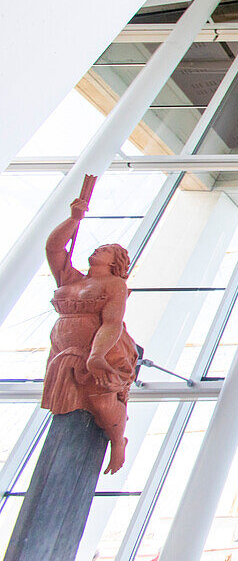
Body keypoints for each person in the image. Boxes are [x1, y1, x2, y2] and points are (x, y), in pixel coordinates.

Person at [42, 195, 138, 474]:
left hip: (102, 347)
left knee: (100, 397)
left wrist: (97, 355)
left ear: (115, 261)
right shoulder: (71, 279)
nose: (98, 250)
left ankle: (118, 440)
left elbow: (111, 323)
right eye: (98, 247)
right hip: (63, 347)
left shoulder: (114, 284)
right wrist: (74, 219)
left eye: (105, 250)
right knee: (72, 402)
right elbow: (53, 247)